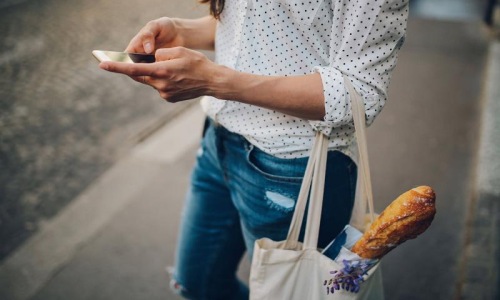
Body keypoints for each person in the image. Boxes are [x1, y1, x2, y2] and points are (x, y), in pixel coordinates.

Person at [99, 0, 410, 298]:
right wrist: (181, 30)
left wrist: (216, 80)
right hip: (218, 141)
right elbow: (260, 21)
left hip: (294, 167)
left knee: (296, 292)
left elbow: (361, 90)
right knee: (196, 283)